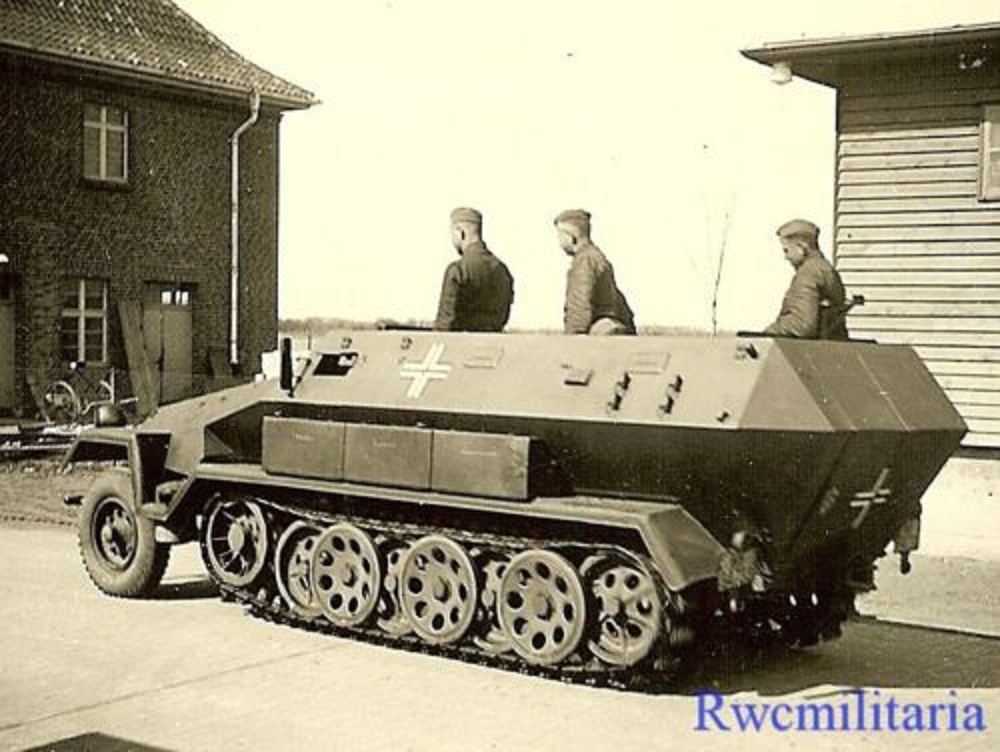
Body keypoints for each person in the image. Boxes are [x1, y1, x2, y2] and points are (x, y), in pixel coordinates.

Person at [764, 219, 849, 340]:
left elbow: (801, 325)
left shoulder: (808, 273)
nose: (786, 257)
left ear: (801, 247)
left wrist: (767, 333)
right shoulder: (825, 269)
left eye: (787, 250)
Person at [555, 209, 636, 335]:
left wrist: (571, 340)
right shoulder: (596, 257)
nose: (559, 241)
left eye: (560, 236)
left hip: (600, 336)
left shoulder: (584, 261)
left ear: (572, 237)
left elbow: (579, 309)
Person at [433, 207, 514, 332]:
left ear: (461, 233)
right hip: (495, 342)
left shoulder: (458, 271)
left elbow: (444, 326)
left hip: (460, 343)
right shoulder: (503, 272)